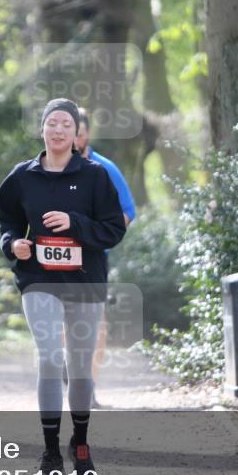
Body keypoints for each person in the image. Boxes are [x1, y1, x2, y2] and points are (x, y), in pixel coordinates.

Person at [0, 98, 125, 475]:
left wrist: (74, 223)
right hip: (40, 279)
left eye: (65, 123)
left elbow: (113, 230)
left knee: (80, 366)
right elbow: (7, 222)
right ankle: (51, 451)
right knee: (51, 357)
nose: (57, 130)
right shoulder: (22, 177)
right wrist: (12, 244)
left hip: (85, 280)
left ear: (77, 134)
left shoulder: (96, 176)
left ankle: (79, 443)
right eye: (51, 122)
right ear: (42, 129)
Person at [73, 107, 136, 407]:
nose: (74, 138)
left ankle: (89, 387)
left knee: (96, 323)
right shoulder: (44, 167)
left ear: (86, 134)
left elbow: (127, 212)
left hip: (93, 259)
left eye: (79, 132)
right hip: (54, 259)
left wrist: (100, 238)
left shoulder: (105, 168)